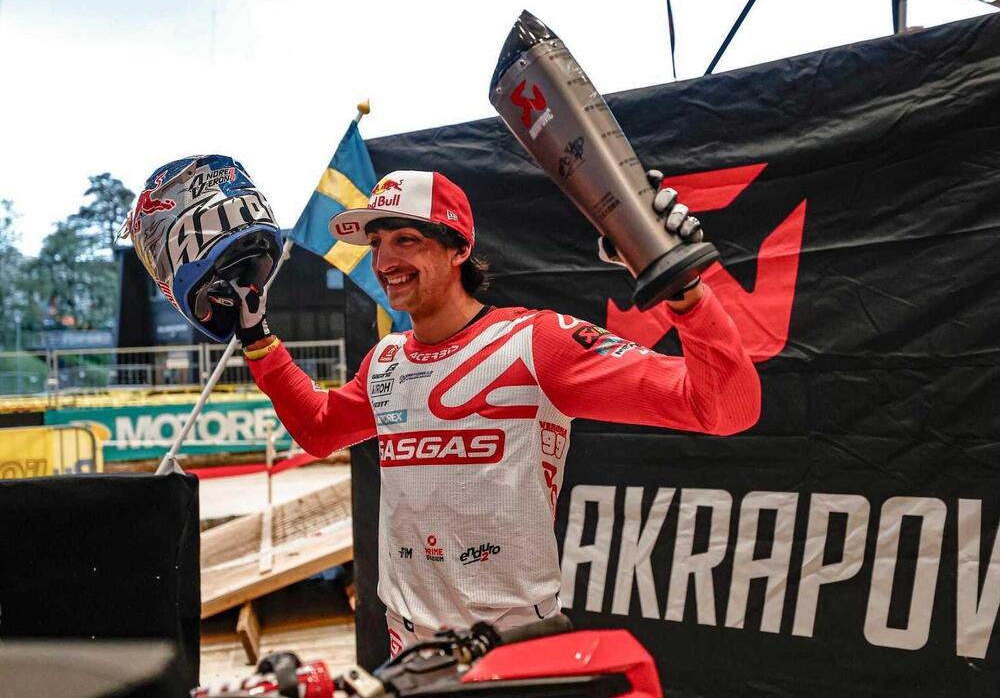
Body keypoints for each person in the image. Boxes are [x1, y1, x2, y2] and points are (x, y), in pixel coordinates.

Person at [232, 169, 760, 656]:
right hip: (407, 645)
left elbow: (722, 408)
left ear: (459, 248)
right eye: (376, 244)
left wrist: (684, 289)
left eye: (405, 240)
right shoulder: (386, 360)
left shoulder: (537, 342)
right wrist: (256, 336)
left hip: (515, 643)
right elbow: (320, 429)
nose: (383, 262)